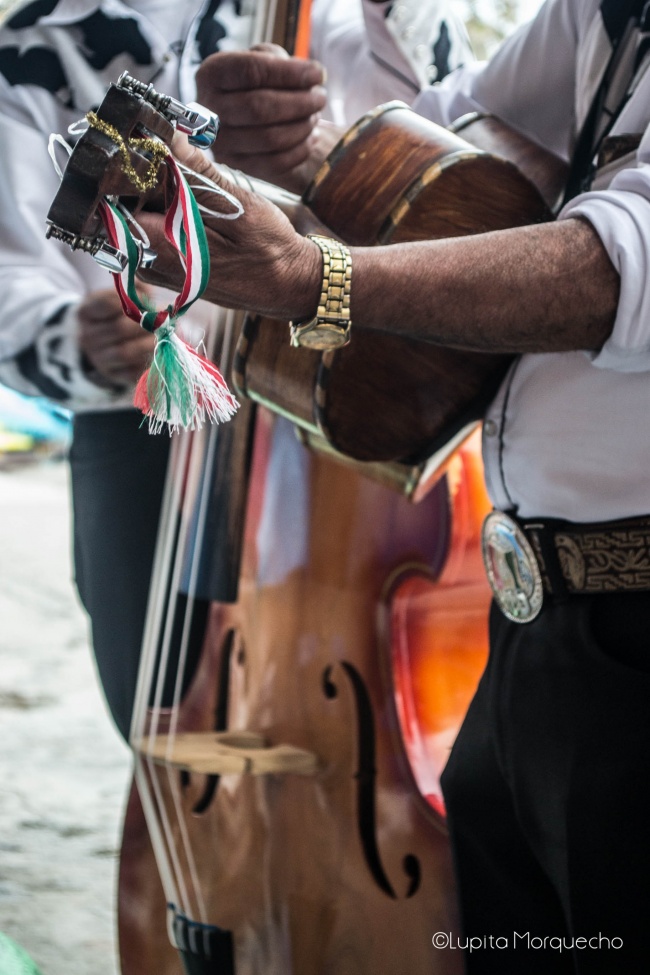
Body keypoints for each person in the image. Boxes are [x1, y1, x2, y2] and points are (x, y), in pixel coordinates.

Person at [137, 0, 650, 971]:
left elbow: (614, 271)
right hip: (539, 633)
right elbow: (454, 142)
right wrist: (312, 151)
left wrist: (314, 278)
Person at [0, 0, 471, 741]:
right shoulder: (26, 47)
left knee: (380, 705)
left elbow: (461, 135)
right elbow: (8, 278)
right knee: (156, 711)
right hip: (144, 415)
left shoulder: (350, 15)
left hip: (342, 389)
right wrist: (74, 339)